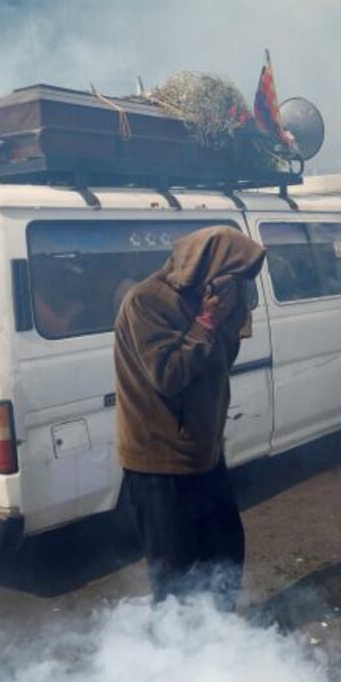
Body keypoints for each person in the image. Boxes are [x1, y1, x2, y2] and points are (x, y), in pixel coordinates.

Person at [113, 225, 265, 609]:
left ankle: (221, 638)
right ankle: (177, 657)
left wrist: (228, 318)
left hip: (204, 453)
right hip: (159, 463)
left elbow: (219, 364)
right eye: (232, 280)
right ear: (207, 270)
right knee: (175, 573)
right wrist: (206, 324)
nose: (237, 290)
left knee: (225, 554)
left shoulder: (212, 298)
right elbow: (168, 377)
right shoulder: (146, 302)